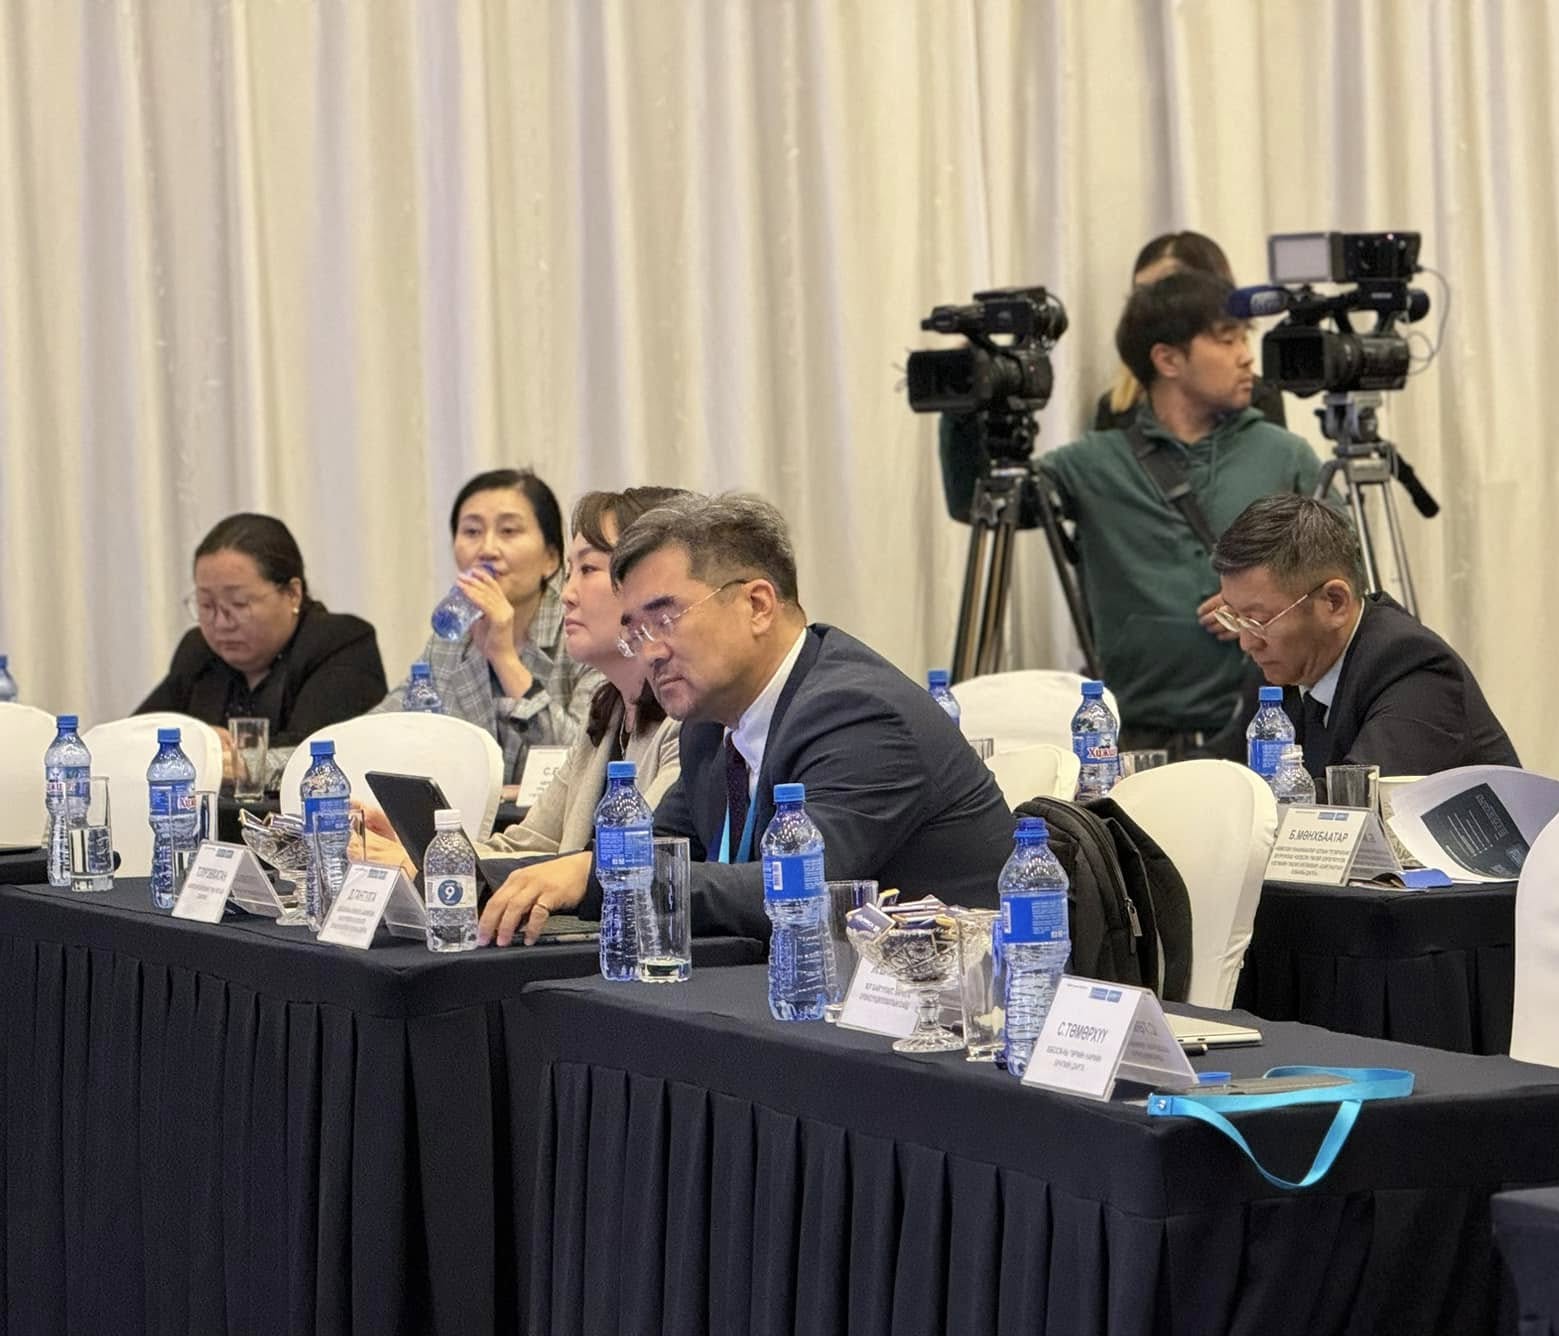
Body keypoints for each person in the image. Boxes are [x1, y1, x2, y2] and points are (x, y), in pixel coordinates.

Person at [477, 492, 1014, 945]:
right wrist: (479, 876)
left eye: (665, 618)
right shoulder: (710, 725)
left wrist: (595, 876)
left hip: (949, 1001)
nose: (650, 652)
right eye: (636, 632)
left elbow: (799, 887)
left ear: (757, 605)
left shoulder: (860, 714)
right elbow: (658, 852)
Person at [941, 269, 1321, 754]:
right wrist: (964, 403)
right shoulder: (1091, 464)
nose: (1247, 355)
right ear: (1168, 359)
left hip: (1267, 734)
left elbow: (1340, 583)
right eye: (1228, 340)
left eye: (1244, 339)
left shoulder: (1285, 455)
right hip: (1133, 742)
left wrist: (1263, 603)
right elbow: (978, 504)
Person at [1209, 492, 1517, 777]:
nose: (1247, 642)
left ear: (1334, 602)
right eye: (1234, 617)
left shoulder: (1413, 668)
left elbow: (1358, 803)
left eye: (1257, 619)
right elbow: (1224, 765)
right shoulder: (1281, 660)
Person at [376, 467, 599, 783]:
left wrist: (505, 659)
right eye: (471, 532)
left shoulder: (582, 630)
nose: (487, 550)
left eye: (508, 531)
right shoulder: (452, 638)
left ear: (550, 559)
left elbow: (585, 759)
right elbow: (385, 725)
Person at [137, 512, 384, 750]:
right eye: (206, 605)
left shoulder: (339, 644)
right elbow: (136, 737)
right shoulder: (198, 652)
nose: (221, 623)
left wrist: (213, 754)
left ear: (293, 594)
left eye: (239, 603)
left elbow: (310, 753)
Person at [1092, 231, 1287, 432]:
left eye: (1169, 289)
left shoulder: (1258, 399)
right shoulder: (1116, 406)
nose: (1151, 304)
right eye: (1141, 293)